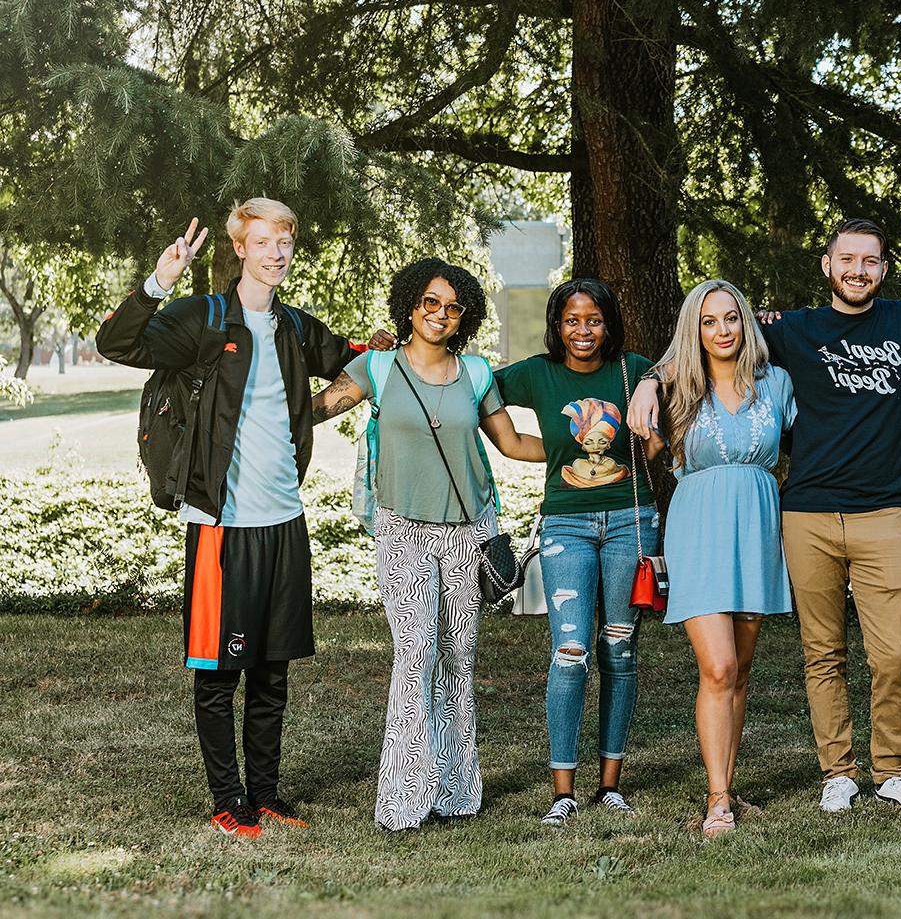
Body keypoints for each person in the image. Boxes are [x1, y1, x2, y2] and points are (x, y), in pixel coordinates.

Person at [96, 200, 393, 838]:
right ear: (240, 249)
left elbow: (355, 361)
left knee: (271, 671)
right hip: (221, 525)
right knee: (218, 673)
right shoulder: (203, 319)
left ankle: (267, 793)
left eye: (284, 242)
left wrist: (386, 349)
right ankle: (229, 800)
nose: (275, 253)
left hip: (285, 520)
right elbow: (116, 342)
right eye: (262, 242)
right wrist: (159, 282)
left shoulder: (293, 327)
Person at [633, 218, 901, 812]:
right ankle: (791, 782)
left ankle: (889, 771)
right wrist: (648, 381)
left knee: (883, 653)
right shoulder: (780, 337)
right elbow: (650, 433)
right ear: (826, 265)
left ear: (884, 266)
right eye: (846, 258)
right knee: (770, 659)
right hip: (769, 520)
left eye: (870, 260)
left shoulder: (897, 328)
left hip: (809, 519)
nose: (858, 270)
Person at [307, 258, 543, 831]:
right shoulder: (378, 368)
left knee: (459, 661)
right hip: (403, 531)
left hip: (468, 534)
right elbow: (310, 410)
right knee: (415, 660)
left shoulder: (478, 373)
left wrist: (587, 449)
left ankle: (457, 792)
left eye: (452, 307)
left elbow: (510, 444)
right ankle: (405, 798)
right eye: (430, 303)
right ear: (410, 306)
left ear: (464, 318)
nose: (440, 315)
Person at [494, 278, 661, 825]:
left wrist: (652, 391)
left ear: (608, 324)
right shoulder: (538, 372)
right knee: (570, 654)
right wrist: (528, 446)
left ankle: (609, 784)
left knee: (620, 651)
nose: (582, 330)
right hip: (566, 525)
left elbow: (678, 377)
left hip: (630, 523)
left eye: (593, 320)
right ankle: (562, 791)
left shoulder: (634, 368)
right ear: (557, 325)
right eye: (571, 320)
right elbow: (473, 389)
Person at [647, 279, 796, 836]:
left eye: (730, 318)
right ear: (696, 329)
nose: (722, 330)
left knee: (742, 670)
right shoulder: (679, 387)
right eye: (709, 321)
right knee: (719, 666)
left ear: (746, 321)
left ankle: (728, 783)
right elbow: (654, 452)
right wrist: (647, 386)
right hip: (699, 528)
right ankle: (716, 799)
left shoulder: (776, 383)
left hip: (758, 526)